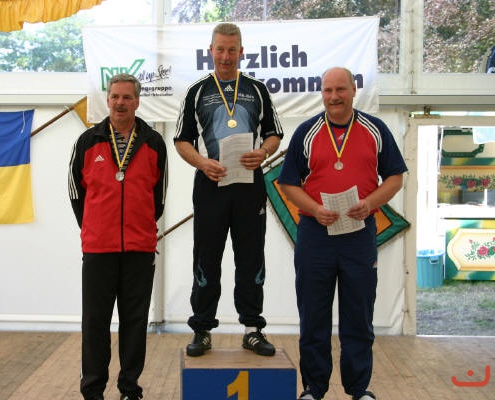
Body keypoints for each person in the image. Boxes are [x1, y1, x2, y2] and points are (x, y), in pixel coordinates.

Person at [278, 67, 408, 400]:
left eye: (340, 89)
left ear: (353, 90)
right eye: (327, 90)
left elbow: (395, 177)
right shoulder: (306, 132)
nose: (333, 96)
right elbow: (288, 183)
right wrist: (314, 208)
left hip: (358, 233)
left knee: (358, 315)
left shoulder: (375, 129)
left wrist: (370, 203)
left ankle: (358, 389)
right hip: (315, 233)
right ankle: (314, 388)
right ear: (321, 93)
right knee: (313, 315)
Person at [174, 22, 283, 357]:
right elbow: (181, 140)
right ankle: (202, 329)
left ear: (241, 52)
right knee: (206, 257)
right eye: (220, 49)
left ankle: (252, 329)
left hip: (250, 185)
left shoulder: (257, 89)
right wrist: (202, 163)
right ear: (210, 51)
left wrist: (263, 152)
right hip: (211, 184)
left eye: (231, 50)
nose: (225, 56)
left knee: (251, 257)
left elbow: (274, 134)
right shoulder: (196, 92)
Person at [68, 73, 168, 400]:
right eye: (115, 97)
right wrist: (94, 226)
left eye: (127, 97)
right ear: (107, 99)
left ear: (137, 101)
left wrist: (139, 226)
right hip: (99, 248)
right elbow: (75, 192)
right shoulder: (87, 141)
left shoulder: (153, 142)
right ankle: (93, 390)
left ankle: (129, 389)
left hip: (139, 248)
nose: (120, 103)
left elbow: (159, 196)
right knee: (95, 322)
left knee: (134, 322)